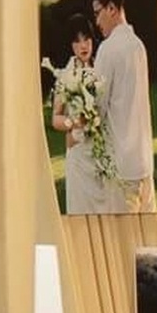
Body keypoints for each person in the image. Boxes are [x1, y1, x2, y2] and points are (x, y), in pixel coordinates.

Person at [90, 0, 155, 210]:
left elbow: (96, 108)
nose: (96, 22)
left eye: (97, 13)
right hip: (144, 164)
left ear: (112, 8)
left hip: (121, 169)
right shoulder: (139, 46)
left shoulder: (108, 49)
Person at [49, 22, 123, 215]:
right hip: (79, 154)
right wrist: (74, 122)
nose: (83, 45)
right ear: (71, 45)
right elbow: (55, 119)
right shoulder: (66, 76)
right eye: (77, 41)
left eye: (86, 39)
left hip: (102, 151)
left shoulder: (101, 68)